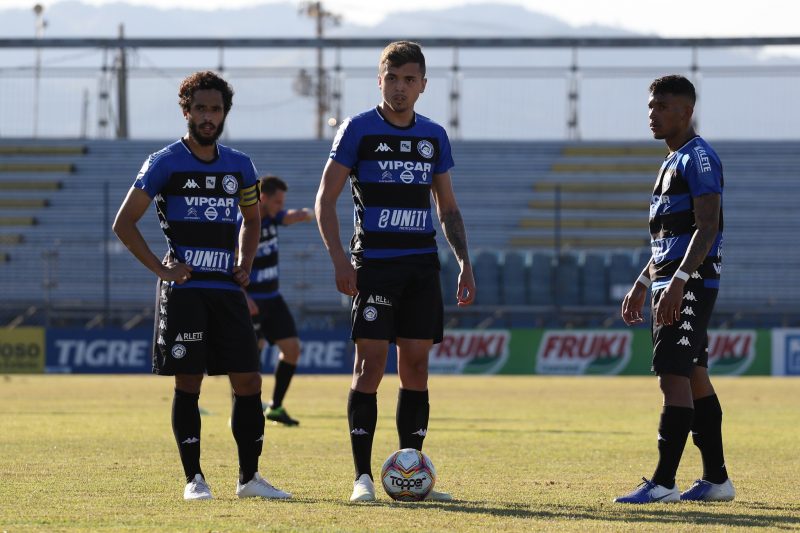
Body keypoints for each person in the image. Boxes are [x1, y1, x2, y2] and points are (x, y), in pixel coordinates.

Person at [112, 70, 291, 501]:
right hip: (186, 293)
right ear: (186, 111)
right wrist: (162, 269)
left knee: (248, 382)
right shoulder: (164, 163)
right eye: (200, 109)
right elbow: (124, 223)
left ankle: (249, 479)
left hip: (227, 292)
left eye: (215, 109)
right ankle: (194, 479)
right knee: (188, 382)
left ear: (225, 112)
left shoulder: (240, 166)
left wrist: (244, 262)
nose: (208, 117)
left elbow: (252, 218)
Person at [315, 41, 476, 503]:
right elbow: (325, 200)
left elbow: (447, 207)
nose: (400, 87)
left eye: (410, 79)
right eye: (392, 78)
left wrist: (464, 262)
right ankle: (362, 477)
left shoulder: (433, 136)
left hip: (421, 266)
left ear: (423, 85)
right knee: (368, 366)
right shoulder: (357, 130)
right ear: (379, 79)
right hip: (375, 267)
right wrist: (340, 261)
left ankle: (411, 472)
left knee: (417, 369)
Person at [616, 75, 734, 504]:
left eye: (662, 106)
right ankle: (717, 479)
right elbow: (670, 238)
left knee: (672, 377)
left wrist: (680, 282)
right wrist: (644, 282)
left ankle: (663, 482)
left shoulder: (698, 158)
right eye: (651, 106)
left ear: (686, 112)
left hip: (690, 282)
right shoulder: (670, 162)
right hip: (670, 280)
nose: (653, 114)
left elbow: (707, 229)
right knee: (694, 375)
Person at [241, 175, 313, 426]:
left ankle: (275, 407)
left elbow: (289, 216)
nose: (281, 206)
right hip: (251, 300)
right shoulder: (246, 223)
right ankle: (240, 413)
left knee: (292, 350)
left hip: (273, 298)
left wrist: (311, 213)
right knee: (248, 359)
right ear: (263, 198)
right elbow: (231, 261)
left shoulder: (272, 217)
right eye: (278, 201)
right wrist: (243, 296)